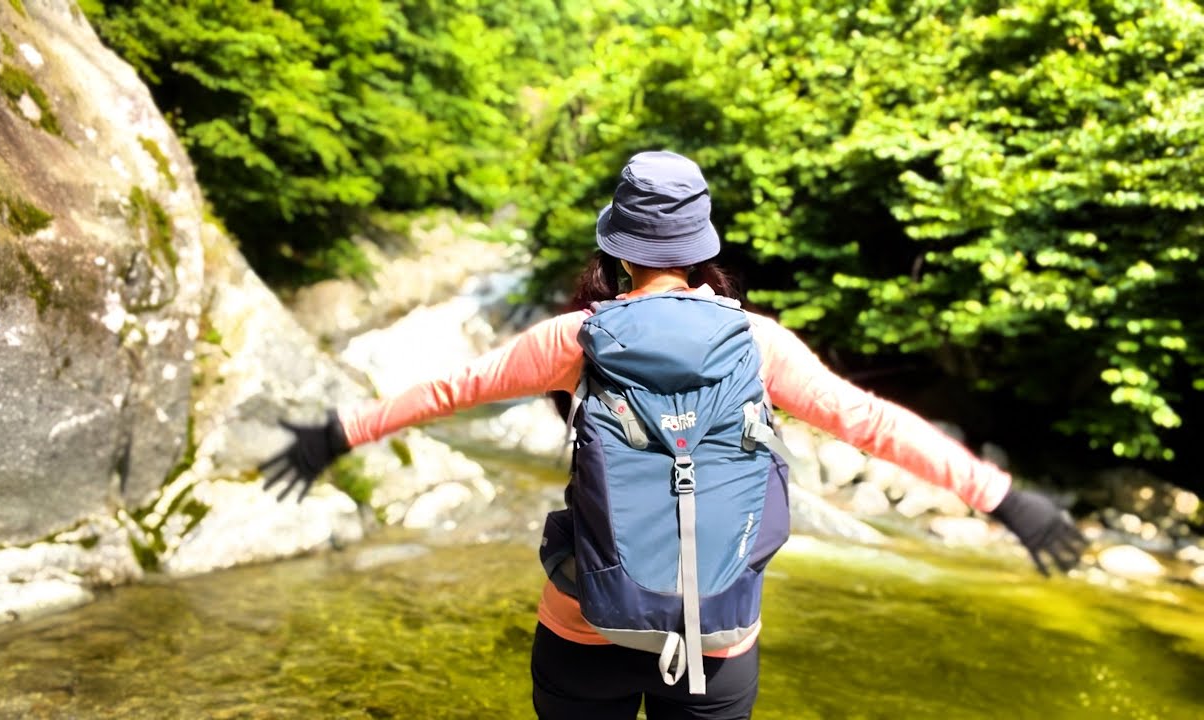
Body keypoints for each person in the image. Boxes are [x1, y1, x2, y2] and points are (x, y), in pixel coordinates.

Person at [260, 150, 1087, 720]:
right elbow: (872, 425)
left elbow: (454, 389)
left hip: (586, 621)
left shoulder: (574, 340)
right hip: (719, 636)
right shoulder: (757, 345)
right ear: (701, 248)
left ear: (616, 249)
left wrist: (339, 432)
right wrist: (1003, 498)